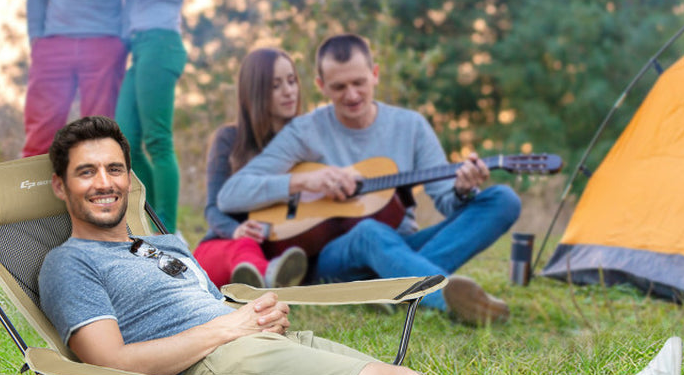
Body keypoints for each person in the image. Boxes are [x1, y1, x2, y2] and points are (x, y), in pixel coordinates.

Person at [37, 117, 684, 375]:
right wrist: (232, 326)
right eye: (87, 172)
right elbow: (113, 366)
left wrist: (249, 313)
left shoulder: (162, 241)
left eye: (115, 169)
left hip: (247, 351)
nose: (105, 183)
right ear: (62, 186)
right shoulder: (68, 264)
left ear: (130, 179)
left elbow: (202, 305)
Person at [216, 33, 523, 326]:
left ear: (375, 74)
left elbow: (447, 202)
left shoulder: (411, 126)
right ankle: (444, 297)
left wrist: (462, 188)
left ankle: (390, 287)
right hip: (337, 256)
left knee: (503, 200)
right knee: (369, 232)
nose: (351, 95)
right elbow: (231, 194)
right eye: (339, 87)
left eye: (359, 83)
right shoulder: (304, 130)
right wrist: (301, 183)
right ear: (321, 85)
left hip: (401, 243)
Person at [192, 47, 309, 289]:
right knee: (246, 246)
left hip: (277, 247)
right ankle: (268, 278)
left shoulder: (306, 143)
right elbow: (213, 208)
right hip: (224, 246)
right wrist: (236, 230)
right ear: (256, 92)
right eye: (276, 86)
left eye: (291, 81)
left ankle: (266, 280)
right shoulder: (228, 138)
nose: (289, 92)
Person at [115, 0, 195, 234]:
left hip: (160, 45)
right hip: (144, 48)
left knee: (158, 140)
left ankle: (168, 229)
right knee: (125, 140)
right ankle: (155, 220)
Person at [22, 0, 127, 158]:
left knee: (100, 136)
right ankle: (34, 191)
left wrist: (121, 40)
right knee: (39, 137)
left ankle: (99, 190)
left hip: (104, 43)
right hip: (53, 44)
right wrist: (36, 38)